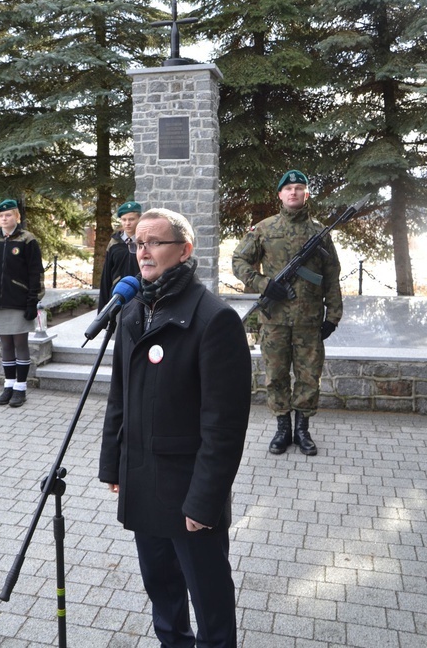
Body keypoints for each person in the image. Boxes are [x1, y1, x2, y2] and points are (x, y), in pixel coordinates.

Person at [99, 208, 252, 648]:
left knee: (208, 596)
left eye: (153, 242)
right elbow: (119, 397)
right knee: (161, 587)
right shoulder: (131, 312)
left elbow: (224, 426)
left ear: (184, 251)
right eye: (137, 242)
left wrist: (204, 501)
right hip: (144, 479)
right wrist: (115, 464)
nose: (141, 251)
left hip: (189, 490)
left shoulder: (214, 319)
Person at [232, 169, 343, 456]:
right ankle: (283, 429)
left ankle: (302, 430)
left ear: (306, 194)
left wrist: (333, 316)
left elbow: (331, 275)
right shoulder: (264, 229)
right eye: (288, 188)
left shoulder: (320, 232)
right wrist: (264, 284)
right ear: (279, 194)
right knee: (276, 375)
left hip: (309, 321)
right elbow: (239, 260)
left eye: (299, 188)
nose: (293, 192)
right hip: (275, 320)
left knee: (308, 376)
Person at [0, 199, 44, 408]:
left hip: (20, 300)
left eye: (8, 215)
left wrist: (33, 300)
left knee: (20, 344)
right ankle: (9, 385)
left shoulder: (27, 240)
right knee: (5, 344)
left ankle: (21, 388)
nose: (5, 219)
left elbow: (35, 272)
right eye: (1, 216)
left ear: (17, 217)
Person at [98, 200, 141, 310]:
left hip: (140, 296)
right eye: (124, 219)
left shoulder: (145, 242)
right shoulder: (114, 243)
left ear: (139, 219)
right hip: (117, 297)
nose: (127, 223)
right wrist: (102, 310)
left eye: (131, 219)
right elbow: (106, 276)